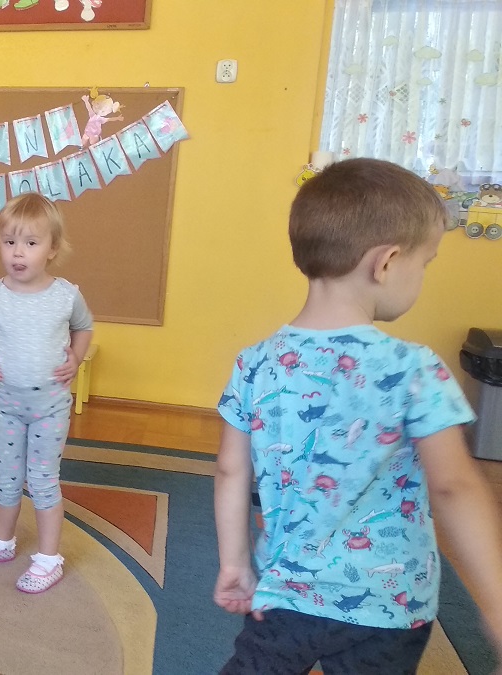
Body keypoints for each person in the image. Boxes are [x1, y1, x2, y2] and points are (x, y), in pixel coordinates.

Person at [213, 158, 502, 673]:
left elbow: (231, 470)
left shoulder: (254, 362)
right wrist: (497, 601)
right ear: (386, 263)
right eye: (426, 263)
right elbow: (455, 485)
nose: (422, 277)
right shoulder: (413, 368)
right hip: (391, 605)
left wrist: (235, 562)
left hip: (286, 592)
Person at [0, 193, 93, 593]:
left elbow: (84, 327)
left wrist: (76, 357)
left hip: (50, 408)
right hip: (7, 408)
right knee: (6, 478)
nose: (18, 252)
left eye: (30, 243)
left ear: (52, 248)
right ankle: (2, 542)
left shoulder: (66, 295)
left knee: (44, 481)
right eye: (9, 241)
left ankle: (48, 559)